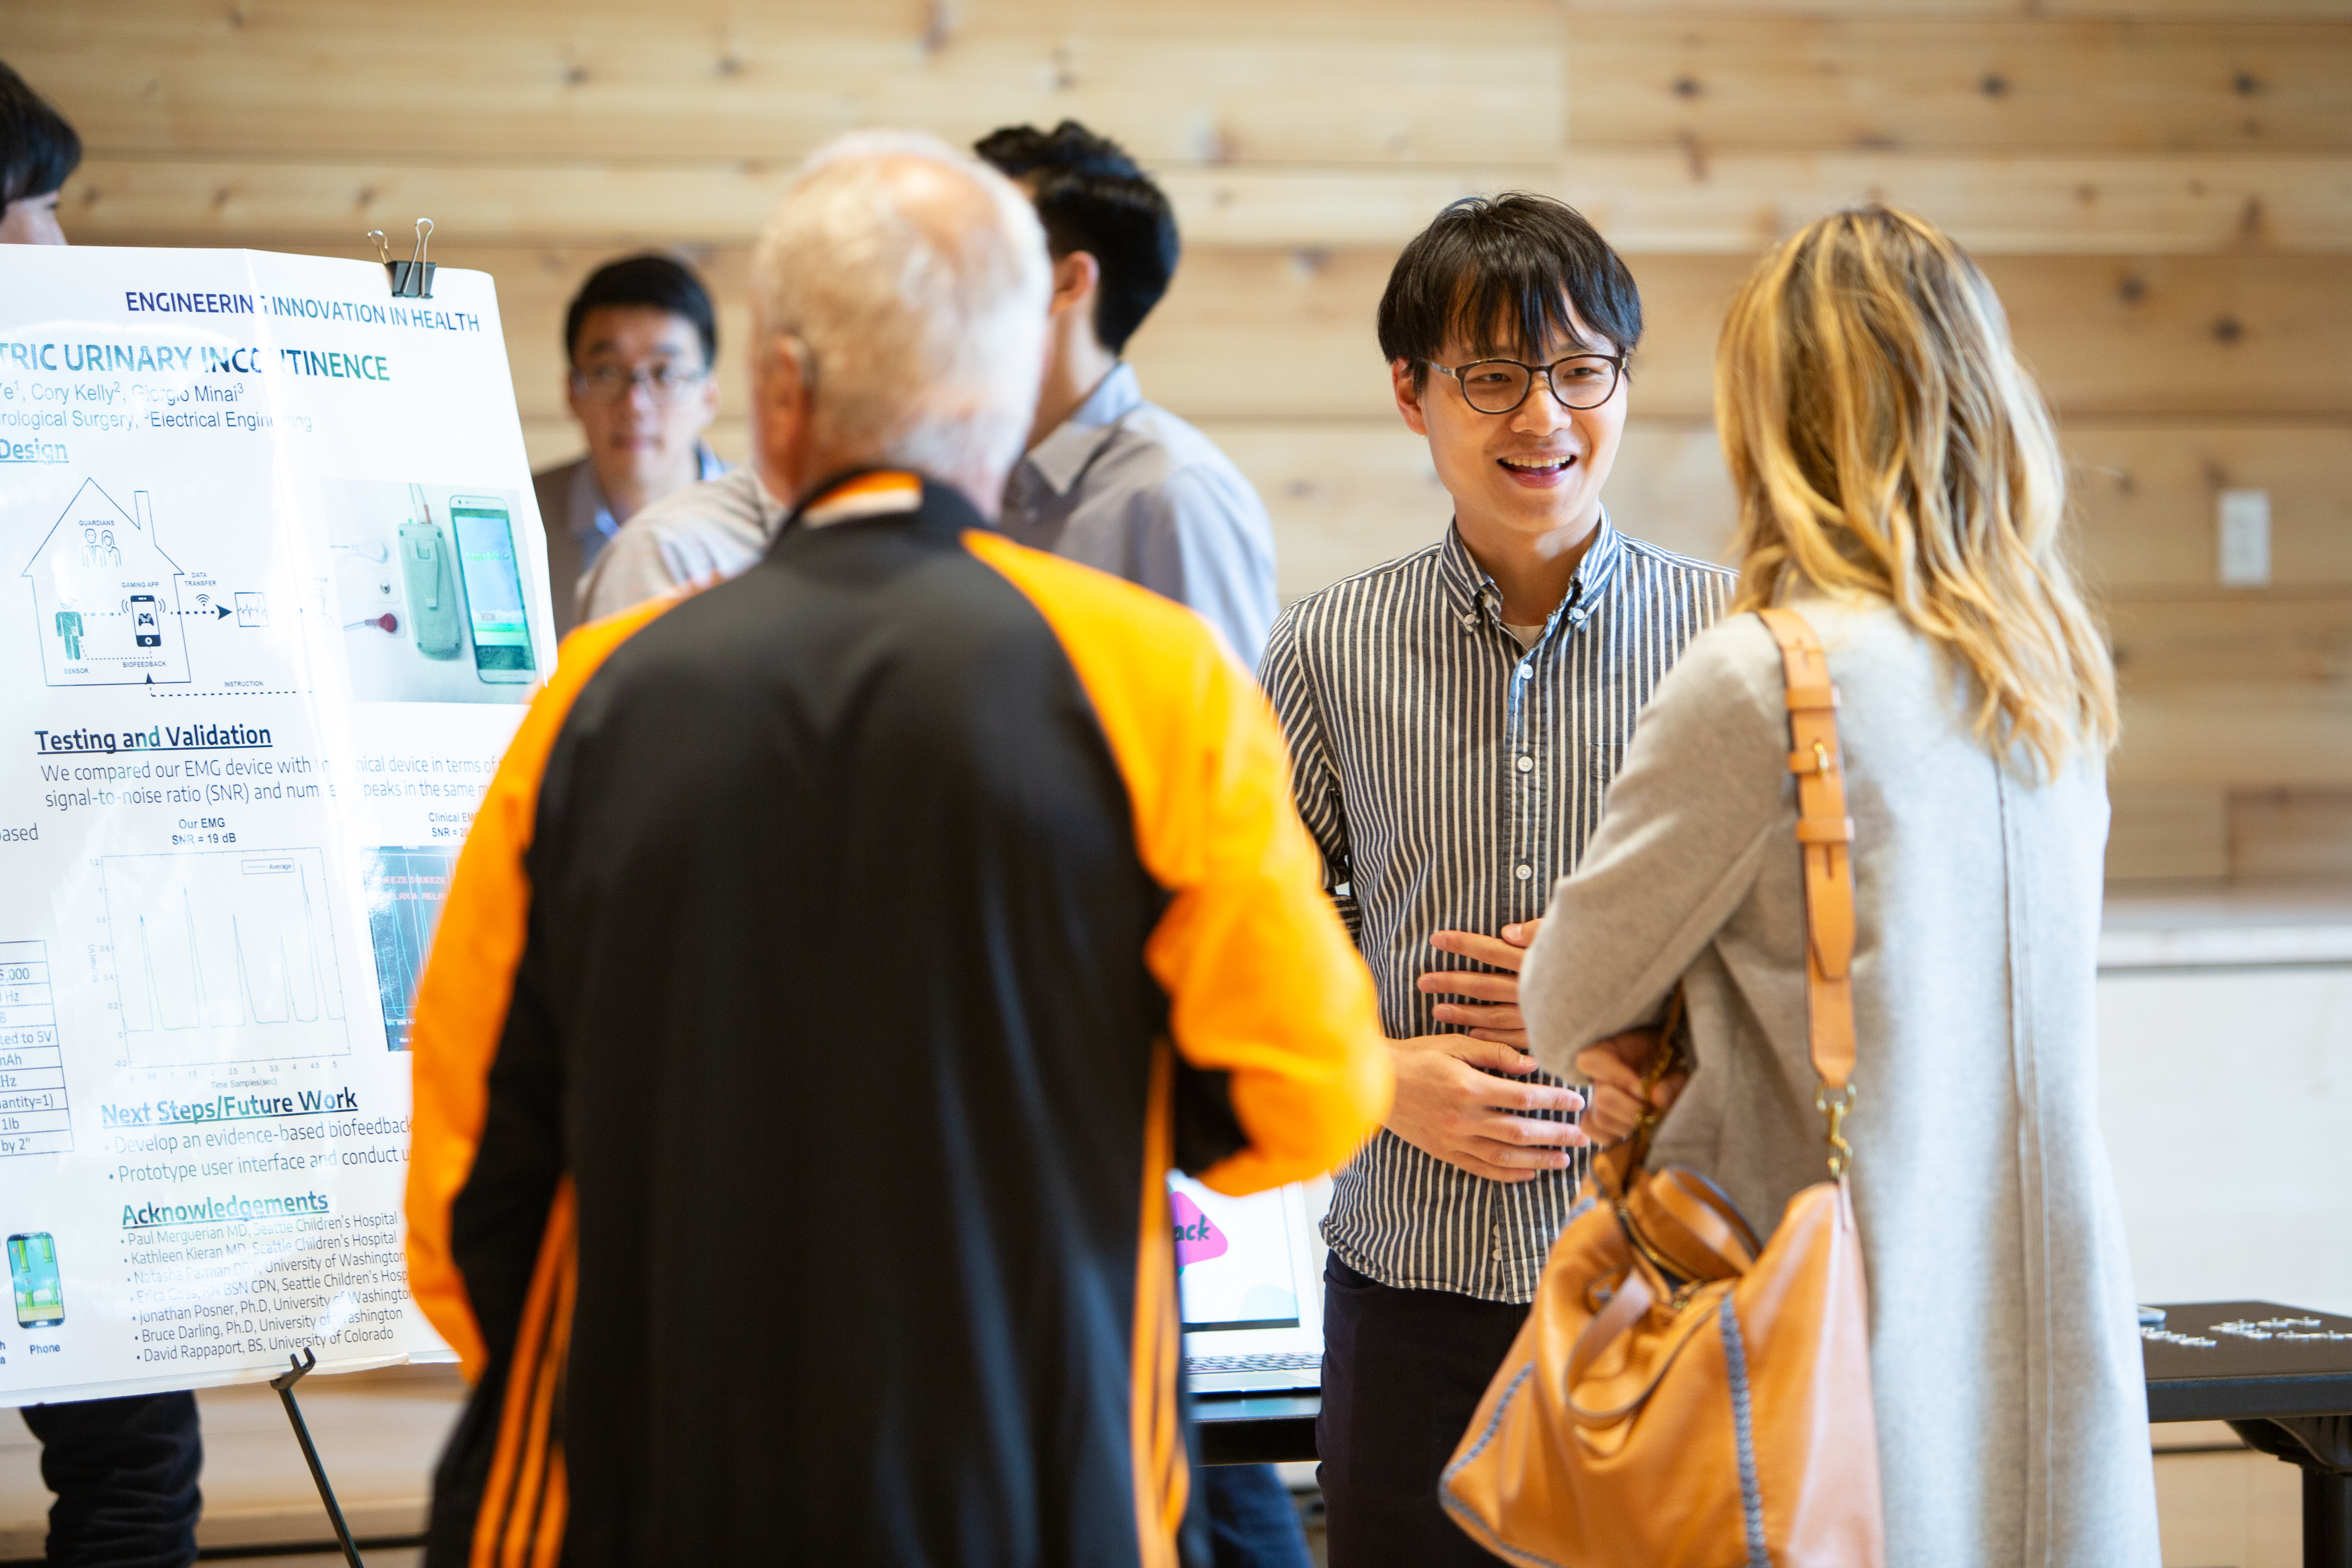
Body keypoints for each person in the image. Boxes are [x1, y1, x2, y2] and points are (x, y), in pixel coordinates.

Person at [404, 131, 1393, 1567]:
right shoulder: (1153, 680)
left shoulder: (594, 693)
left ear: (781, 398)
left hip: (646, 1472)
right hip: (1029, 1469)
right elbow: (1310, 1088)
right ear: (998, 402)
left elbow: (463, 1187)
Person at [1520, 206, 2160, 1565]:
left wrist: (1641, 1038)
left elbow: (1565, 988)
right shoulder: (2052, 681)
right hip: (2041, 1330)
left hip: (1836, 1348)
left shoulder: (1770, 676)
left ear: (1781, 421)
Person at [1257, 193, 1730, 1567]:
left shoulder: (1735, 639)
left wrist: (1610, 1004)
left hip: (1672, 1272)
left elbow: (1817, 951)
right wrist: (1381, 1073)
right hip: (1412, 1287)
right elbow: (1262, 940)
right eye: (1493, 376)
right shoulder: (1328, 648)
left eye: (1585, 371)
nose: (1546, 418)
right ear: (1412, 395)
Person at [973, 116, 1295, 1567]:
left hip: (1121, 1067)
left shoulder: (1166, 492)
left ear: (1064, 280)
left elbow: (1221, 816)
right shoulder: (985, 479)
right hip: (1005, 1055)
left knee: (1191, 1464)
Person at [4, 58, 206, 1568]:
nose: (46, 248)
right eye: (14, 211)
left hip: (74, 1039)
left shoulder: (87, 469)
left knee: (131, 1460)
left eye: (52, 206)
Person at [975, 120, 1277, 664]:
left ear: (1066, 284)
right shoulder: (957, 467)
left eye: (977, 245)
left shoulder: (1176, 493)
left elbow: (1233, 734)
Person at [530, 252, 726, 637]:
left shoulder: (773, 531)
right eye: (606, 373)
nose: (634, 405)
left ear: (709, 397)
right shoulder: (517, 520)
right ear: (572, 393)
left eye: (665, 374)